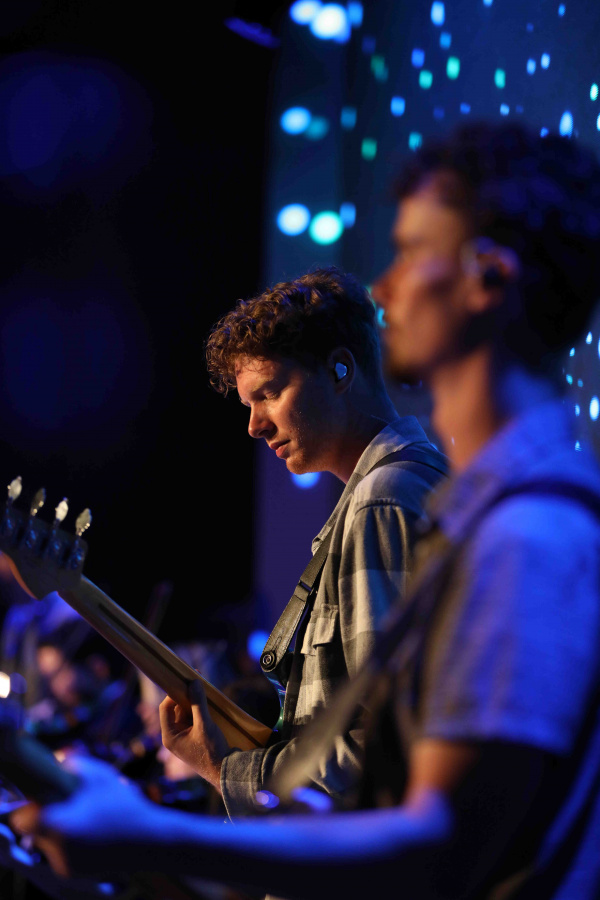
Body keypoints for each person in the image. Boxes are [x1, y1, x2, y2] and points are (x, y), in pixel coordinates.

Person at [13, 122, 600, 899]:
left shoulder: (519, 532)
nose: (383, 290)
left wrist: (155, 829)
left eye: (410, 253)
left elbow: (424, 835)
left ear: (488, 277)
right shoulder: (483, 516)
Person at [160, 267, 446, 817]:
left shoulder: (381, 501)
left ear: (341, 369)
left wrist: (224, 769)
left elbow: (384, 747)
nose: (254, 426)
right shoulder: (403, 487)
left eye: (269, 394)